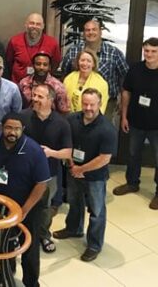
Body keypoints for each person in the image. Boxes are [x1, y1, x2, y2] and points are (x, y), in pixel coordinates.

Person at [0, 113, 50, 287]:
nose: (13, 132)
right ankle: (6, 270)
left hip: (27, 207)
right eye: (9, 127)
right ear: (2, 127)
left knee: (29, 247)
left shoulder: (34, 151)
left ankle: (31, 282)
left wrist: (24, 210)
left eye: (17, 128)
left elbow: (42, 184)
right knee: (0, 242)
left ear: (23, 129)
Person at [53, 88, 117, 262]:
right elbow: (67, 144)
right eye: (85, 103)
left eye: (92, 104)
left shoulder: (107, 129)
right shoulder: (72, 120)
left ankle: (94, 245)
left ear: (100, 104)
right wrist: (73, 165)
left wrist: (82, 169)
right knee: (74, 202)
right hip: (73, 170)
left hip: (95, 177)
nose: (88, 108)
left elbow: (104, 158)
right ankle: (73, 229)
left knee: (96, 211)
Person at [19, 83, 72, 255]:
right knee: (21, 203)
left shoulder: (62, 123)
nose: (34, 99)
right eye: (34, 95)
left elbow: (68, 152)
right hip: (24, 173)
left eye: (40, 97)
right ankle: (18, 235)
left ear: (50, 100)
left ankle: (43, 235)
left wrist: (51, 153)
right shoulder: (23, 117)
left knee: (45, 207)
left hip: (49, 174)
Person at [114, 37, 158, 210]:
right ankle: (132, 183)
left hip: (157, 126)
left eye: (154, 51)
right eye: (146, 50)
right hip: (136, 121)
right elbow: (126, 93)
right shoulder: (135, 69)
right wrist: (124, 117)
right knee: (133, 154)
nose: (149, 54)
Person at [60, 18, 127, 115]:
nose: (91, 32)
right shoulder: (73, 51)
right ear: (83, 33)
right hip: (74, 101)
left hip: (107, 102)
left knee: (100, 129)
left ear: (100, 32)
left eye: (94, 29)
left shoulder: (114, 53)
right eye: (87, 30)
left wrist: (122, 102)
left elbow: (124, 78)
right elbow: (65, 73)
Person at [5, 12, 61, 84]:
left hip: (42, 88)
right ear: (26, 25)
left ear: (43, 26)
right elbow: (8, 63)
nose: (34, 26)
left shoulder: (52, 43)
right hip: (17, 87)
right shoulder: (14, 41)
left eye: (38, 24)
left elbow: (55, 64)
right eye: (32, 23)